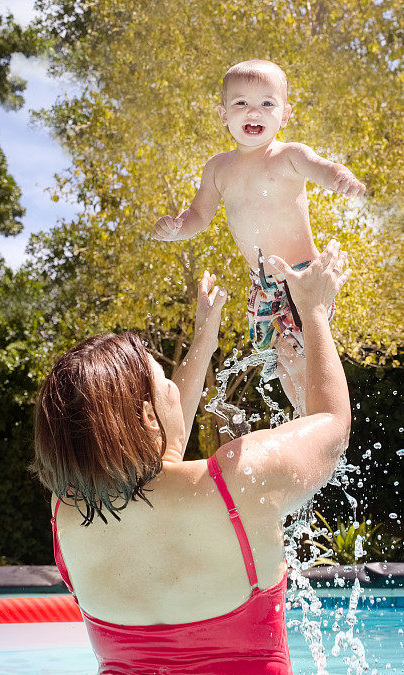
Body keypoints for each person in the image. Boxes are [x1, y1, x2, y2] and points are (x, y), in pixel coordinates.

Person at [32, 240, 351, 675]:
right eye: (165, 383)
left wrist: (205, 336)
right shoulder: (237, 482)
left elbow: (154, 458)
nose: (175, 392)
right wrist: (315, 312)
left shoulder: (67, 515)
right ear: (143, 416)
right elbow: (332, 426)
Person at [152, 59, 364, 415]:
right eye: (241, 103)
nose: (254, 111)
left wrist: (340, 178)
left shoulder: (289, 155)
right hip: (261, 283)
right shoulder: (218, 168)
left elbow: (323, 168)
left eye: (267, 103)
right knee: (281, 359)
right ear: (223, 115)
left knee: (300, 350)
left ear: (285, 115)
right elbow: (199, 216)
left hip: (302, 277)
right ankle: (301, 416)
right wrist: (177, 229)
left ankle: (320, 420)